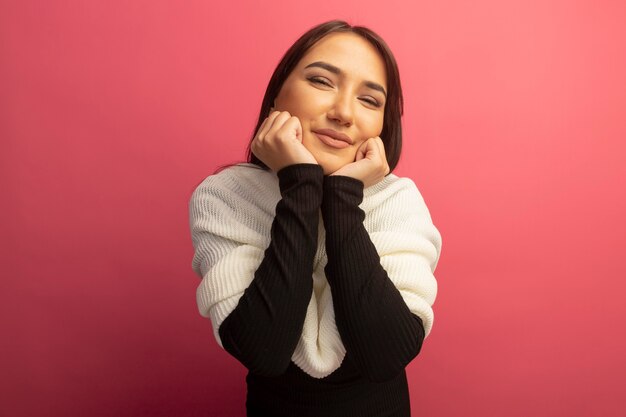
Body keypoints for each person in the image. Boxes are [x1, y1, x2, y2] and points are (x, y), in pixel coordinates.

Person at [189, 20, 442, 417]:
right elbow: (263, 350)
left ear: (382, 127)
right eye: (322, 82)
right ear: (277, 97)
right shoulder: (226, 196)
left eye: (370, 101)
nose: (343, 113)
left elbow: (385, 355)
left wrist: (343, 200)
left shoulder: (399, 200)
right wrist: (301, 185)